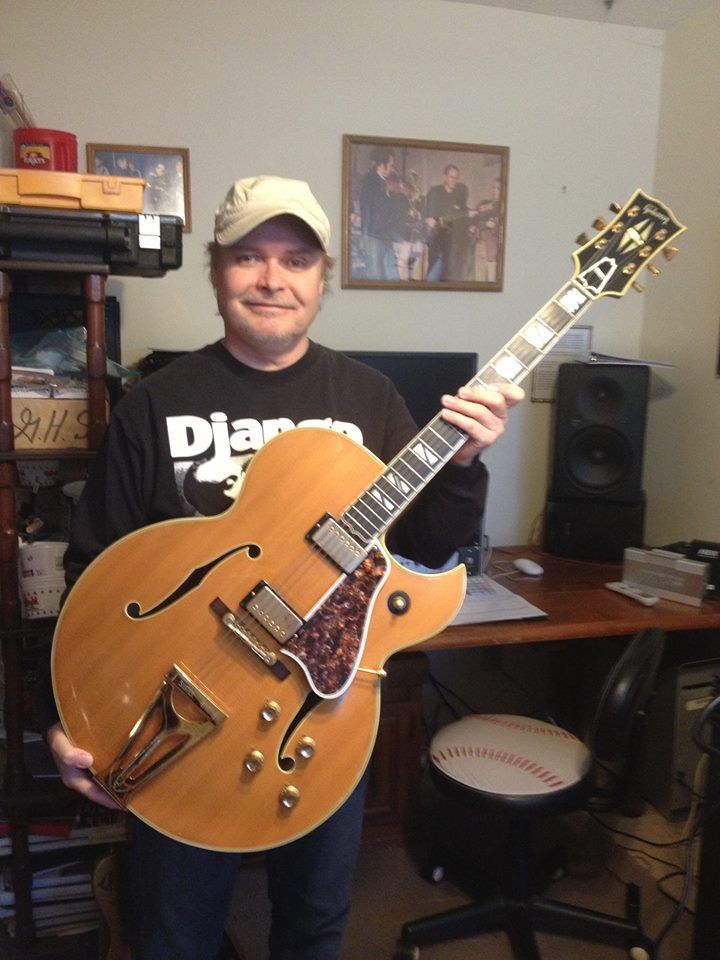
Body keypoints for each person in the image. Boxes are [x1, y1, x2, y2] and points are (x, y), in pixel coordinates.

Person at [44, 175, 523, 960]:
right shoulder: (153, 404)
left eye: (297, 260)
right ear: (216, 269)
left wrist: (465, 462)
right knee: (173, 933)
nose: (273, 279)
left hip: (320, 720)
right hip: (184, 705)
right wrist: (66, 714)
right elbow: (94, 572)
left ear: (321, 277)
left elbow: (429, 552)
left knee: (315, 923)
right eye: (249, 257)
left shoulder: (370, 398)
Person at [423, 163, 473, 282]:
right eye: (451, 177)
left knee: (449, 271)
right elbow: (425, 211)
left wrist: (471, 222)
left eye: (456, 178)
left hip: (452, 241)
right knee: (435, 267)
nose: (454, 180)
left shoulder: (458, 195)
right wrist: (428, 219)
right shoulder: (434, 191)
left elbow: (463, 213)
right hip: (436, 236)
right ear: (444, 177)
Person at [357, 146, 399, 280]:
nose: (392, 168)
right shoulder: (370, 181)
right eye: (390, 165)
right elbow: (366, 209)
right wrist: (365, 237)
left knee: (392, 276)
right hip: (373, 236)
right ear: (382, 164)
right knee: (375, 276)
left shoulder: (385, 182)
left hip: (386, 236)